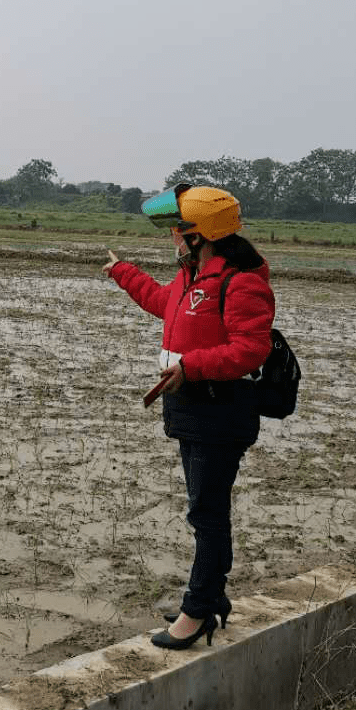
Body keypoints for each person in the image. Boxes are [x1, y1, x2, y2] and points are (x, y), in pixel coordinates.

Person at [103, 184, 275, 650]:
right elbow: (165, 304)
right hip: (190, 404)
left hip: (221, 407)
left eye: (178, 230)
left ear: (200, 235)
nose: (173, 238)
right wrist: (122, 272)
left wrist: (191, 367)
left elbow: (251, 348)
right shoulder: (191, 276)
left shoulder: (241, 281)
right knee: (204, 508)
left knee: (207, 513)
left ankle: (198, 610)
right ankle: (211, 599)